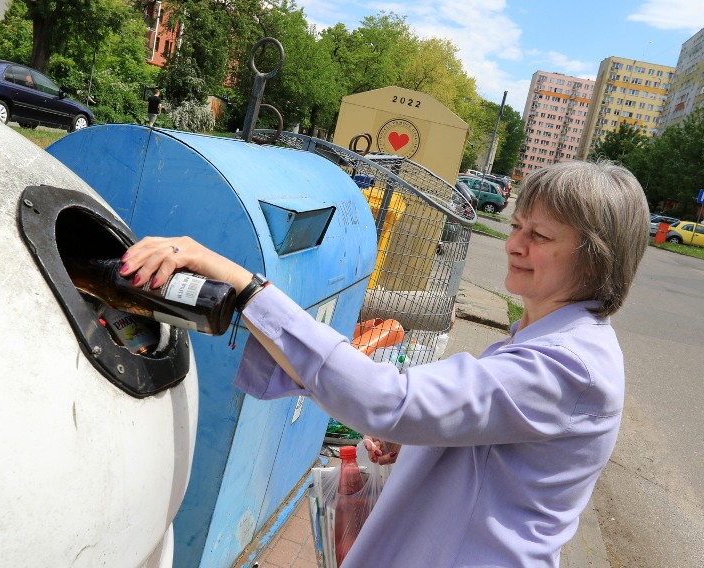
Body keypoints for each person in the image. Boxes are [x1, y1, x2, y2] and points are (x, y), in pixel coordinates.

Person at [119, 160, 650, 567]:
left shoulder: (567, 364)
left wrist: (242, 284)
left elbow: (386, 400)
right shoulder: (542, 336)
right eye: (516, 226)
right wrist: (424, 436)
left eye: (540, 236)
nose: (514, 245)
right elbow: (494, 443)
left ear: (595, 256)